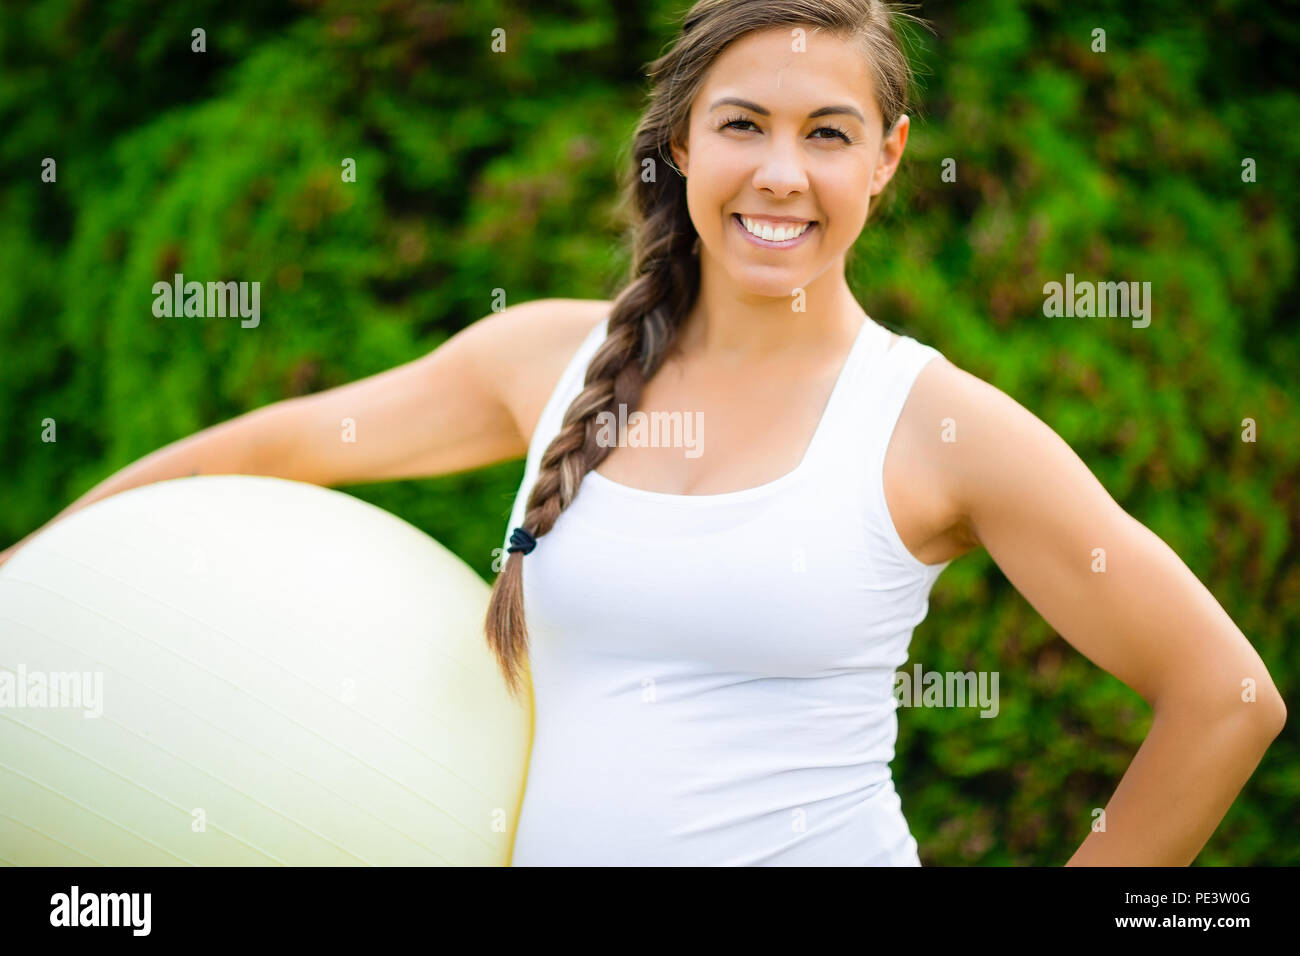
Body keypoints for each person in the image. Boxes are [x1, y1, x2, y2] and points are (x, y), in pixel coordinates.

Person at [1, 0, 1285, 867]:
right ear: (680, 143)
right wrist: (32, 577)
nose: (782, 172)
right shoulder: (545, 359)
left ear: (887, 160)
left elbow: (1224, 695)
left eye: (827, 134)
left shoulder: (936, 424)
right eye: (744, 125)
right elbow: (272, 449)